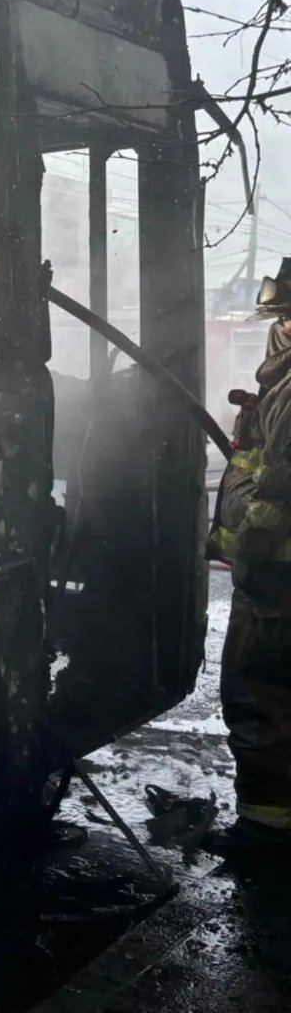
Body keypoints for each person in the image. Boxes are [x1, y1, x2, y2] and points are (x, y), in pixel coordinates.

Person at [212, 257, 291, 851]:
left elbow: (278, 491)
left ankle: (264, 831)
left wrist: (248, 551)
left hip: (276, 575)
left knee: (257, 692)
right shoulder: (277, 391)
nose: (278, 329)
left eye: (284, 317)